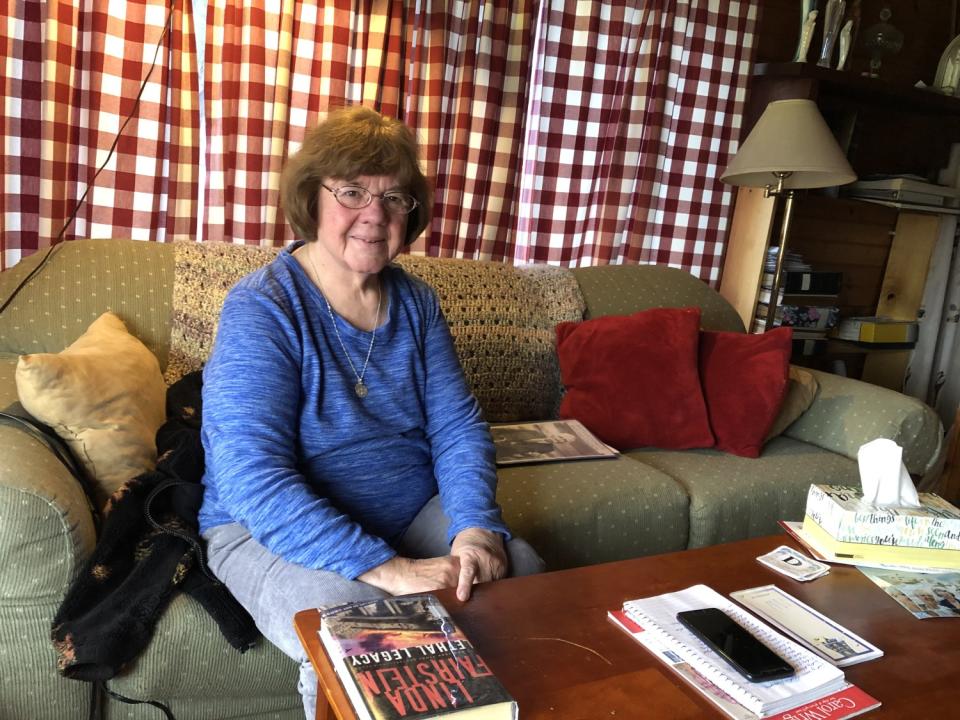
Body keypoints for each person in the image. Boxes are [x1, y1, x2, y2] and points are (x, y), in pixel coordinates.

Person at [198, 106, 545, 719]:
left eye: (395, 198)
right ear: (312, 197)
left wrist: (473, 528)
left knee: (520, 575)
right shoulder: (262, 306)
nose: (374, 215)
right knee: (364, 632)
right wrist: (390, 569)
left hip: (407, 511)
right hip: (266, 528)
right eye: (352, 191)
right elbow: (252, 476)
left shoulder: (416, 301)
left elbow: (457, 426)